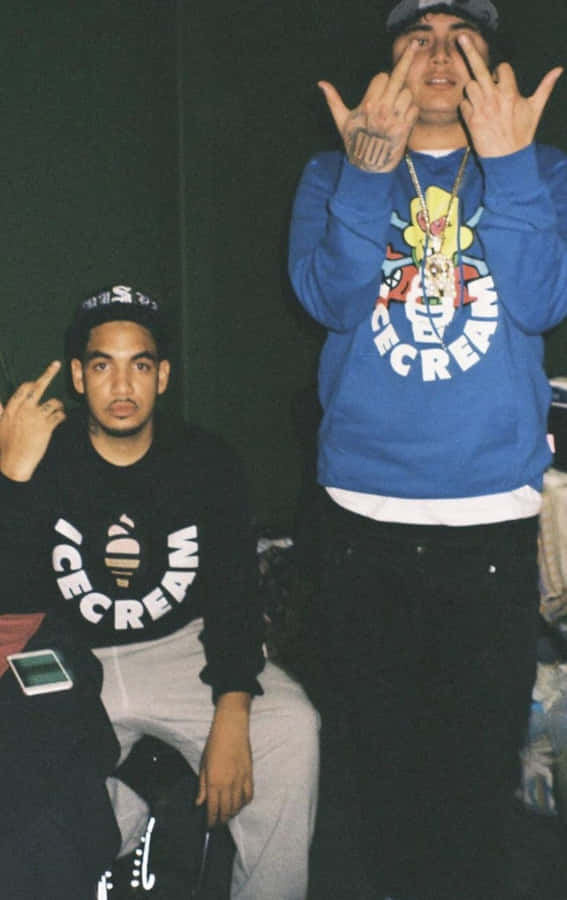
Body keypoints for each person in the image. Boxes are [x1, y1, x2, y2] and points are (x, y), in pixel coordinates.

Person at [288, 1, 567, 898]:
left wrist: (513, 163)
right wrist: (367, 173)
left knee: (475, 777)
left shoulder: (545, 172)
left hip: (486, 527)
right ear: (387, 62)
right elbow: (331, 300)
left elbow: (537, 302)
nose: (439, 53)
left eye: (462, 37)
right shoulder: (328, 172)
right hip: (360, 523)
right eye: (418, 34)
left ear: (493, 62)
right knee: (378, 770)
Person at [0, 284, 319, 900]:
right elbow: (8, 601)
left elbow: (233, 596)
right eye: (102, 365)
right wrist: (11, 476)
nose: (122, 386)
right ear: (76, 376)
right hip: (71, 657)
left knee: (291, 727)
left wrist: (232, 705)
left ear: (163, 375)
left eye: (139, 365)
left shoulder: (206, 462)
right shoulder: (44, 456)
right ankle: (131, 811)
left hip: (180, 649)